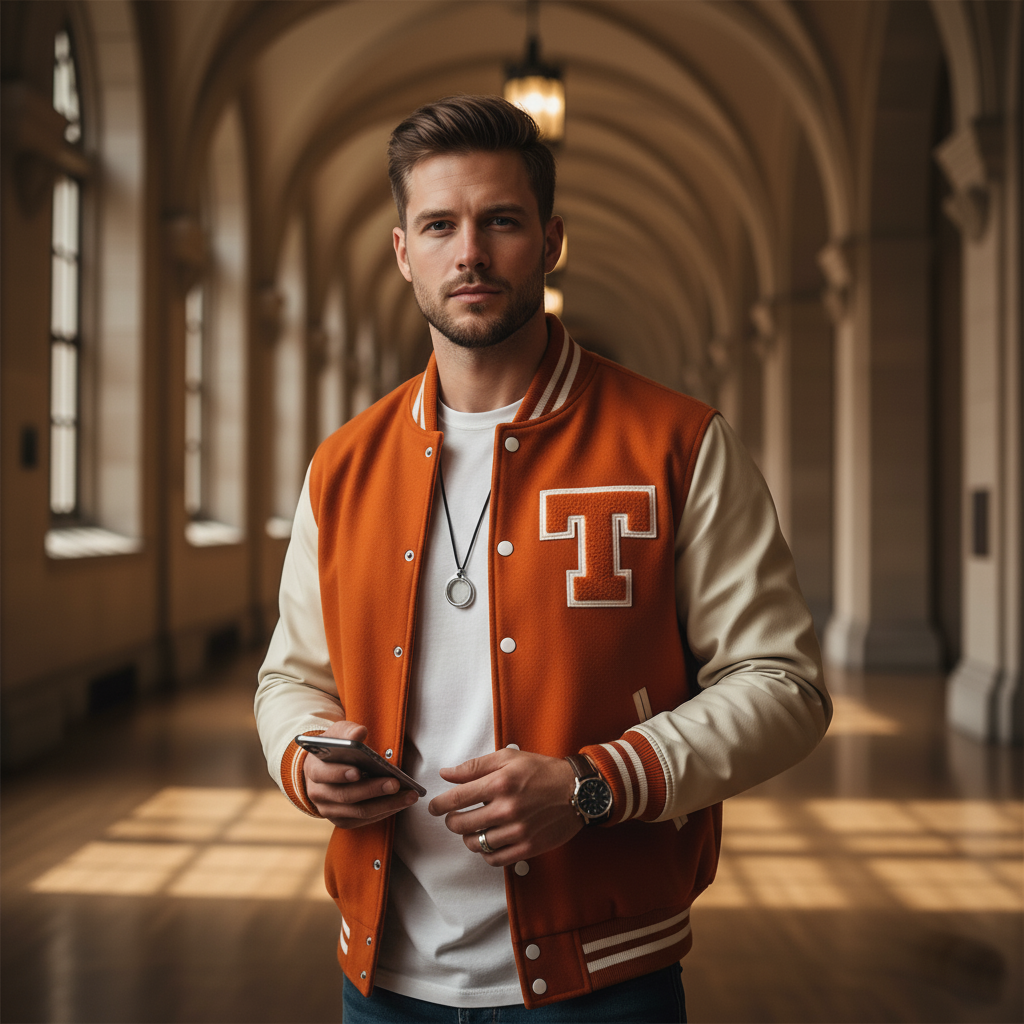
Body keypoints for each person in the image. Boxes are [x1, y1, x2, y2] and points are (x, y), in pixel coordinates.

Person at [255, 94, 830, 1023]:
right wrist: (302, 757)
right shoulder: (342, 465)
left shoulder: (677, 442)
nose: (470, 252)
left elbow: (785, 685)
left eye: (502, 221)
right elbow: (290, 677)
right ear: (404, 253)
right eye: (439, 225)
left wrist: (593, 785)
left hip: (605, 978)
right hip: (384, 978)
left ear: (551, 241)